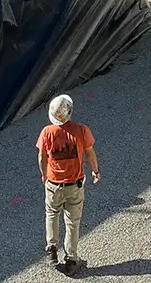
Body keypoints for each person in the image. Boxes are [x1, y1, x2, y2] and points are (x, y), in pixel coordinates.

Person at [37, 94, 99, 274]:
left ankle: (51, 249)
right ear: (70, 112)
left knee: (51, 213)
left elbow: (41, 156)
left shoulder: (47, 132)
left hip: (53, 184)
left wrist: (44, 175)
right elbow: (90, 154)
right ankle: (71, 259)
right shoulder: (81, 130)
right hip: (75, 184)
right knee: (72, 222)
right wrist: (95, 170)